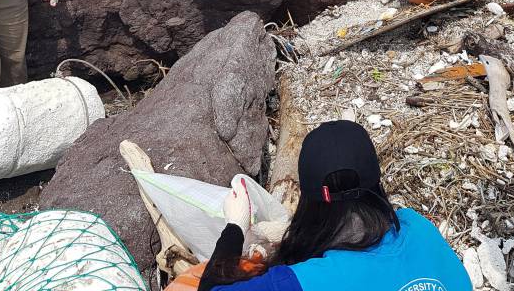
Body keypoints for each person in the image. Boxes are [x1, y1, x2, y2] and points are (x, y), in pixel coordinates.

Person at [198, 120, 472, 291]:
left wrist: (235, 226)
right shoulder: (418, 226)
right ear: (376, 183)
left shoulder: (308, 280)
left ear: (309, 203)